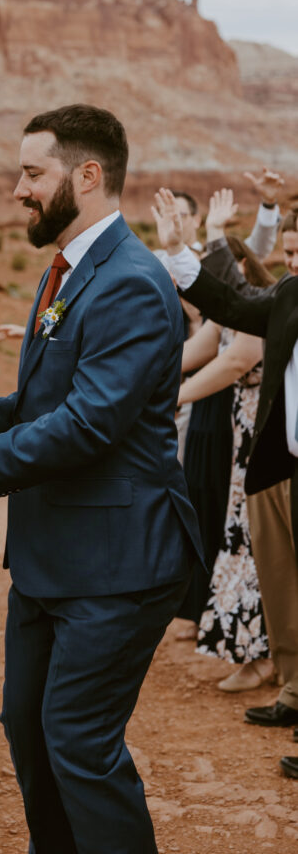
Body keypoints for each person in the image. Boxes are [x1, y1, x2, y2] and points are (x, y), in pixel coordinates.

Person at [0, 105, 203, 854]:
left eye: (32, 172)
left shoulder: (128, 280)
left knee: (79, 745)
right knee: (27, 728)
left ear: (86, 176)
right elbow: (40, 400)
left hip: (118, 557)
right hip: (51, 554)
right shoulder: (67, 269)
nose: (17, 188)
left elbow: (91, 423)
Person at [153, 186, 298, 781]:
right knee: (283, 589)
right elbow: (232, 305)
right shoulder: (290, 292)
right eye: (291, 250)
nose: (294, 260)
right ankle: (292, 689)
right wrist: (182, 249)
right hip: (278, 465)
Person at [177, 238, 276, 691]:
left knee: (256, 547)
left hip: (267, 444)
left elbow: (238, 362)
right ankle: (259, 653)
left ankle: (264, 656)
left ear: (239, 269)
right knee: (242, 542)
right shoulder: (227, 315)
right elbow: (187, 355)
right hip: (243, 445)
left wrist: (168, 397)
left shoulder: (260, 307)